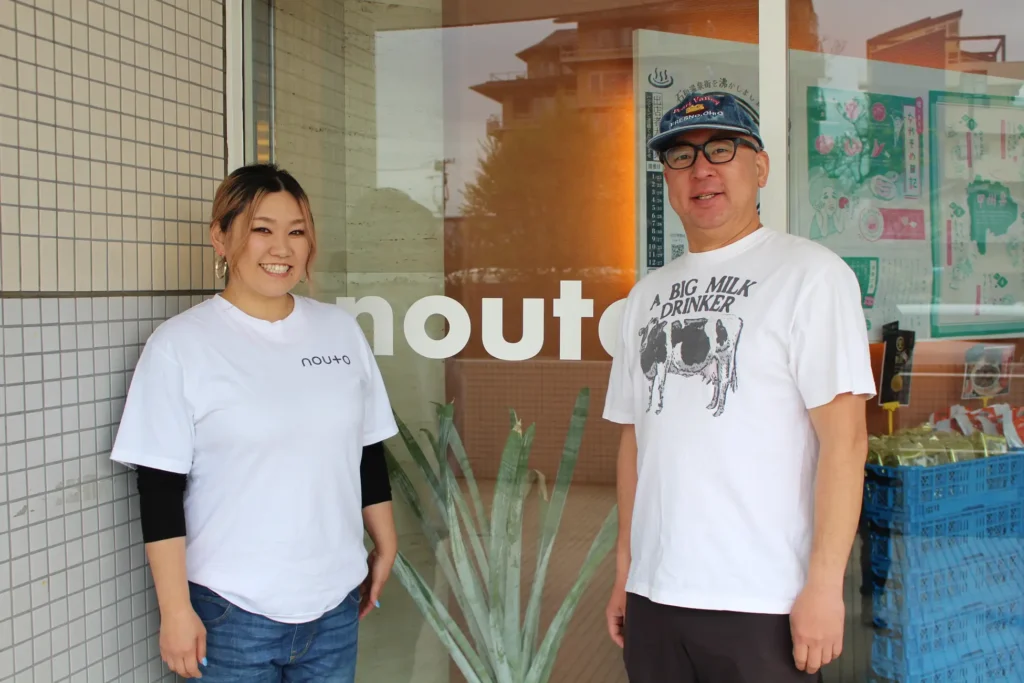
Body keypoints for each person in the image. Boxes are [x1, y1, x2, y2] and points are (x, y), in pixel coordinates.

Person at [603, 93, 876, 682]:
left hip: (763, 599)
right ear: (667, 179)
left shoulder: (811, 275)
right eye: (681, 156)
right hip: (655, 595)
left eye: (721, 149)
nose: (701, 169)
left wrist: (825, 586)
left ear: (761, 167)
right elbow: (634, 442)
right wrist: (626, 569)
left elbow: (846, 442)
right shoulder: (646, 296)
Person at [110, 164, 399, 682]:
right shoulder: (181, 345)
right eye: (262, 229)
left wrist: (386, 541)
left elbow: (367, 450)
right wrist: (175, 610)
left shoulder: (339, 331)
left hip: (335, 603)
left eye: (297, 231)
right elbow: (159, 488)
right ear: (221, 238)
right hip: (230, 613)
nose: (281, 248)